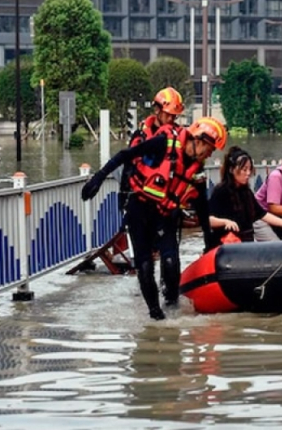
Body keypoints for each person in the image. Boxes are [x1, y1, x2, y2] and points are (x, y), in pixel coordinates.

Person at [81, 116, 227, 320]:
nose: (208, 156)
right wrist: (98, 177)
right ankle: (155, 315)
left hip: (164, 214)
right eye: (209, 150)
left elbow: (202, 205)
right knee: (145, 265)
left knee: (170, 262)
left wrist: (208, 240)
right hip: (138, 208)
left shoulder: (196, 168)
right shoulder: (164, 143)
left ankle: (172, 308)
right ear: (198, 140)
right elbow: (126, 154)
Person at [206, 146, 282, 251]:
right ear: (231, 170)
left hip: (245, 244)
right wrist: (225, 222)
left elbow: (262, 214)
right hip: (226, 247)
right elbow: (208, 220)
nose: (248, 173)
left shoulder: (246, 192)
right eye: (244, 170)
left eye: (249, 169)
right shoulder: (221, 191)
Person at [118, 87, 185, 222]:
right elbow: (128, 164)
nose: (171, 119)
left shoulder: (178, 137)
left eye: (174, 116)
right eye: (168, 114)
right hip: (140, 202)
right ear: (157, 110)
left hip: (166, 206)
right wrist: (124, 196)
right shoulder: (141, 136)